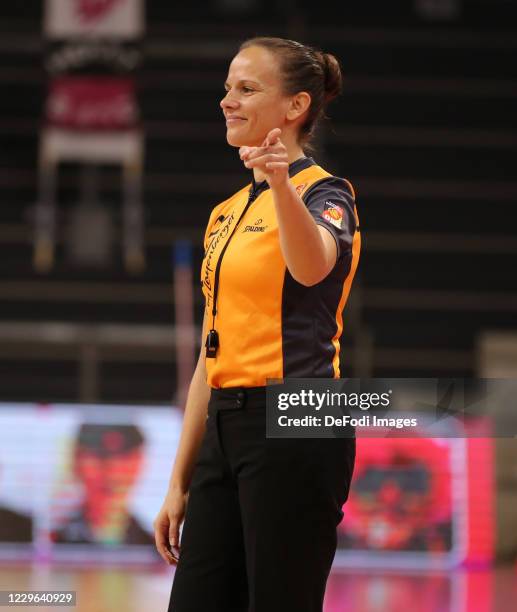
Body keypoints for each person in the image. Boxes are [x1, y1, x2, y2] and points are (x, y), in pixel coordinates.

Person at [153, 36, 361, 612]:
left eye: (246, 88)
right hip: (227, 423)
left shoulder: (325, 193)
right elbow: (209, 355)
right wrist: (179, 481)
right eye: (227, 87)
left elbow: (313, 264)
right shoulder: (224, 213)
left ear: (295, 107)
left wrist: (279, 183)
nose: (227, 100)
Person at [51, 423, 154, 546]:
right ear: (76, 460)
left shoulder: (152, 544)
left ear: (139, 462)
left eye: (123, 459)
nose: (111, 472)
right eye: (99, 456)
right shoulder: (53, 540)